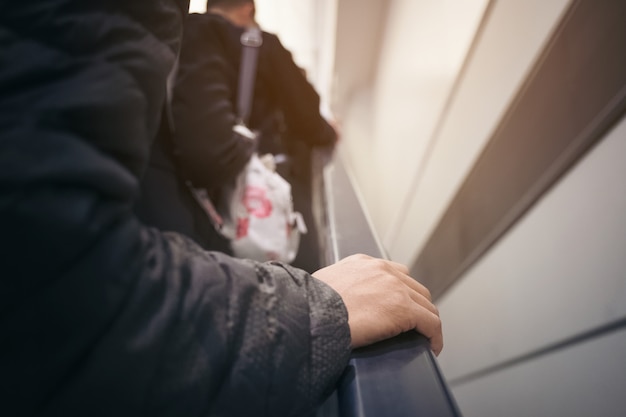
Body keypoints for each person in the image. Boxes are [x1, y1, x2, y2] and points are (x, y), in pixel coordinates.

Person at [0, 1, 443, 416]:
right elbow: (65, 291)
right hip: (218, 255)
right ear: (249, 10)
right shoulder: (248, 43)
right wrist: (316, 308)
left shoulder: (165, 42)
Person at [136, 0, 338, 271]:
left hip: (179, 211)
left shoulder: (175, 37)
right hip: (258, 198)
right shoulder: (263, 44)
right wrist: (330, 132)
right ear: (248, 9)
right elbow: (308, 117)